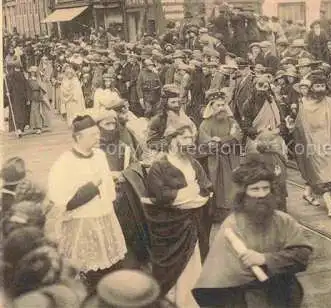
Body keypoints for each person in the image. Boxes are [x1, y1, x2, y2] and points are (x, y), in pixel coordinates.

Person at [192, 156, 313, 307]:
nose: (261, 194)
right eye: (255, 189)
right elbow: (219, 280)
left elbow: (302, 256)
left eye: (265, 188)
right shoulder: (232, 225)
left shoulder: (283, 220)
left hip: (281, 294)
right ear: (243, 193)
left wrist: (264, 259)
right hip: (242, 297)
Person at [45, 115, 127, 289]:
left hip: (103, 217)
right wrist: (92, 187)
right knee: (88, 267)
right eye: (93, 135)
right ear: (78, 137)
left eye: (98, 134)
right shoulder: (65, 163)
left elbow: (108, 191)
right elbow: (64, 201)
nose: (99, 137)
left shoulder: (100, 155)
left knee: (110, 265)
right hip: (81, 223)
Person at [145, 119, 212, 306]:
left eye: (191, 138)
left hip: (194, 225)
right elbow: (159, 195)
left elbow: (205, 188)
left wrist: (195, 196)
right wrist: (186, 195)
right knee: (174, 272)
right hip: (172, 229)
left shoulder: (193, 163)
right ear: (172, 140)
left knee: (194, 267)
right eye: (184, 138)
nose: (189, 142)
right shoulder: (159, 167)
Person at [287, 73, 331, 217]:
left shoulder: (330, 102)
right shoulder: (304, 102)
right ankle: (330, 206)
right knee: (319, 173)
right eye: (317, 86)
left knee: (325, 171)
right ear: (312, 88)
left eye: (322, 86)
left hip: (328, 141)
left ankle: (307, 192)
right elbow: (299, 124)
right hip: (311, 141)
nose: (319, 89)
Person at [198, 89, 243, 222]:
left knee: (232, 185)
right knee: (217, 185)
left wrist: (222, 140)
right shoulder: (205, 124)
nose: (221, 108)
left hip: (231, 160)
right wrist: (228, 139)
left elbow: (238, 136)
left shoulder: (231, 121)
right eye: (218, 105)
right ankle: (217, 213)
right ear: (211, 106)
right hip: (215, 161)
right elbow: (208, 144)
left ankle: (231, 211)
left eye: (223, 105)